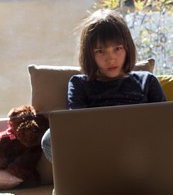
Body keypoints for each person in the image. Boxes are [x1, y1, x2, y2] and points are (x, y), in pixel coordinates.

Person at [41, 8, 166, 161]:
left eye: (117, 49)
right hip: (97, 153)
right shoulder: (80, 83)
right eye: (100, 51)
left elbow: (165, 123)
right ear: (89, 54)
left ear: (127, 48)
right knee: (49, 138)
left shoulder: (147, 80)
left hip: (140, 153)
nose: (110, 58)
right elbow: (76, 126)